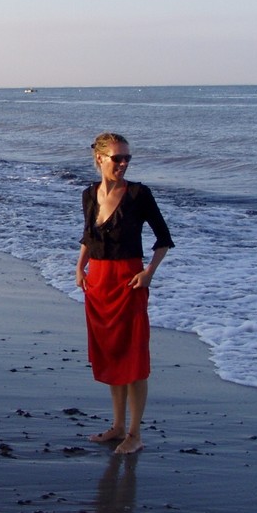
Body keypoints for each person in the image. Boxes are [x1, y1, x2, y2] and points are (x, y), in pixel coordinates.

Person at [75, 132, 174, 454]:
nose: (123, 163)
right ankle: (117, 426)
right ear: (100, 158)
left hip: (129, 280)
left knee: (133, 358)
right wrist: (80, 268)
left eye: (127, 158)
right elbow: (89, 236)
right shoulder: (89, 194)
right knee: (112, 355)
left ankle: (135, 434)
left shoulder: (138, 194)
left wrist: (148, 273)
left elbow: (163, 239)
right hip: (98, 281)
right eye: (117, 158)